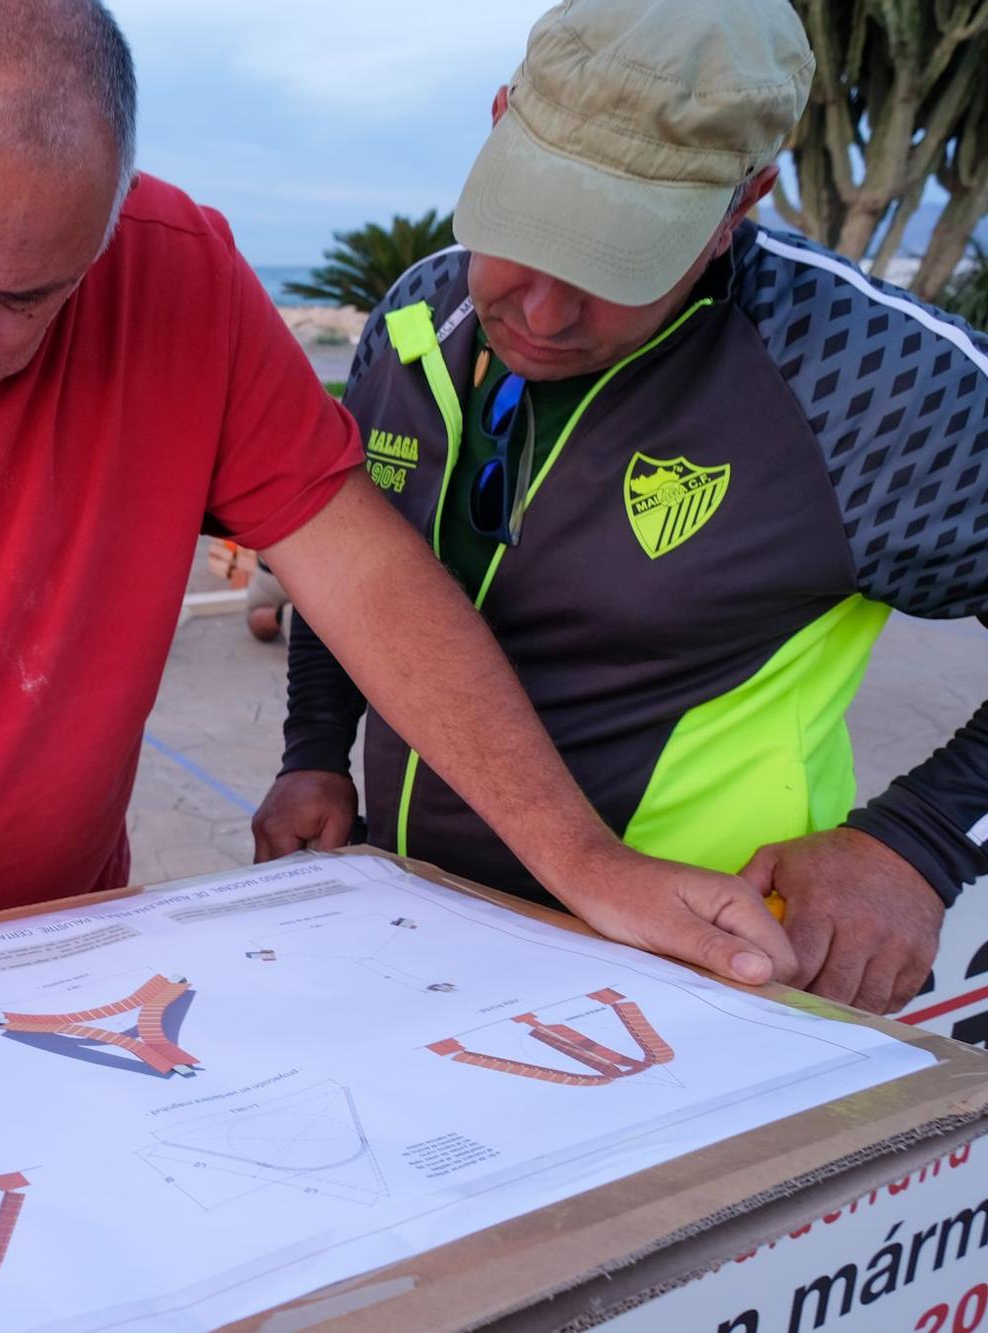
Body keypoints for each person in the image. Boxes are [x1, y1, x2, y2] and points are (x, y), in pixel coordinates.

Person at [0, 0, 794, 989]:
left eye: (29, 296)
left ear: (107, 227)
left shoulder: (175, 271)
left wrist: (586, 863)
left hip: (64, 937)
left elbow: (363, 571)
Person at [256, 0, 988, 1015]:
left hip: (708, 968)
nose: (544, 313)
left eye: (617, 259)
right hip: (415, 927)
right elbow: (345, 564)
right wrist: (313, 756)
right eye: (527, 233)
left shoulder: (869, 383)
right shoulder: (415, 314)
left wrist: (917, 841)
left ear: (744, 199)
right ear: (499, 118)